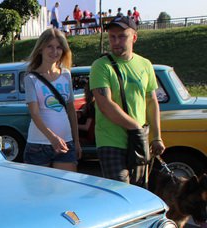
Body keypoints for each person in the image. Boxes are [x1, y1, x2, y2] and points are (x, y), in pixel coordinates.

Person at [90, 16, 164, 187]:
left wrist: (156, 136)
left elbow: (152, 101)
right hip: (111, 140)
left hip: (138, 139)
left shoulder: (145, 64)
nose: (116, 41)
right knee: (120, 191)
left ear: (134, 38)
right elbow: (105, 105)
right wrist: (135, 126)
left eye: (122, 36)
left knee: (140, 191)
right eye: (112, 37)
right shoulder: (101, 66)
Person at [23, 28, 80, 171]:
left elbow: (71, 110)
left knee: (66, 190)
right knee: (39, 192)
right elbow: (35, 114)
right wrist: (52, 138)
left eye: (59, 47)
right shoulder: (31, 78)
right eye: (50, 46)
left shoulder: (66, 75)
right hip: (38, 145)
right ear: (41, 48)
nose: (54, 51)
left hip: (65, 142)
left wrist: (77, 141)